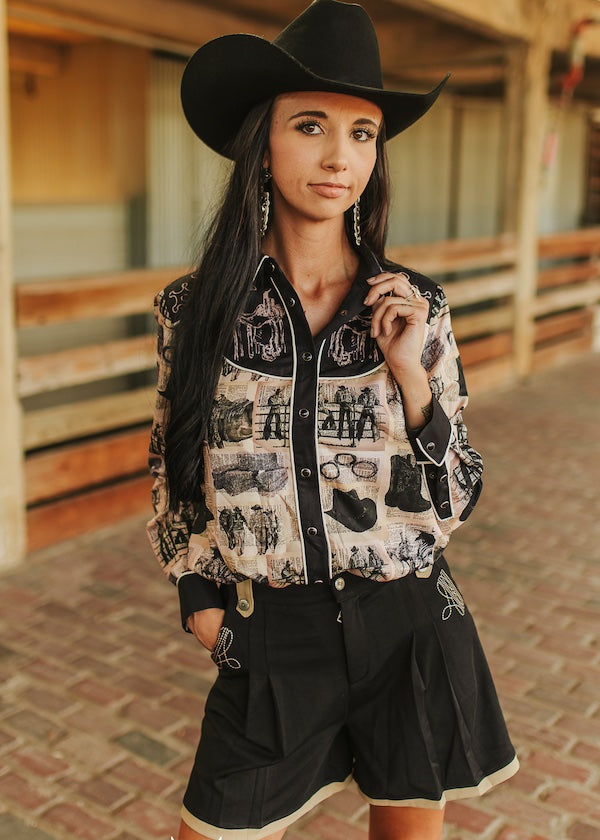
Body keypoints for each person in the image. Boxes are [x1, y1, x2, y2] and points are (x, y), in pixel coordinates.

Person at [146, 2, 519, 839]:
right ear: (263, 142)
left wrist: (411, 377)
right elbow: (170, 467)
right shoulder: (194, 309)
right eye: (311, 126)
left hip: (410, 625)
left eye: (363, 134)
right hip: (272, 636)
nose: (338, 155)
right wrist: (201, 598)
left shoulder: (416, 310)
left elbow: (459, 496)